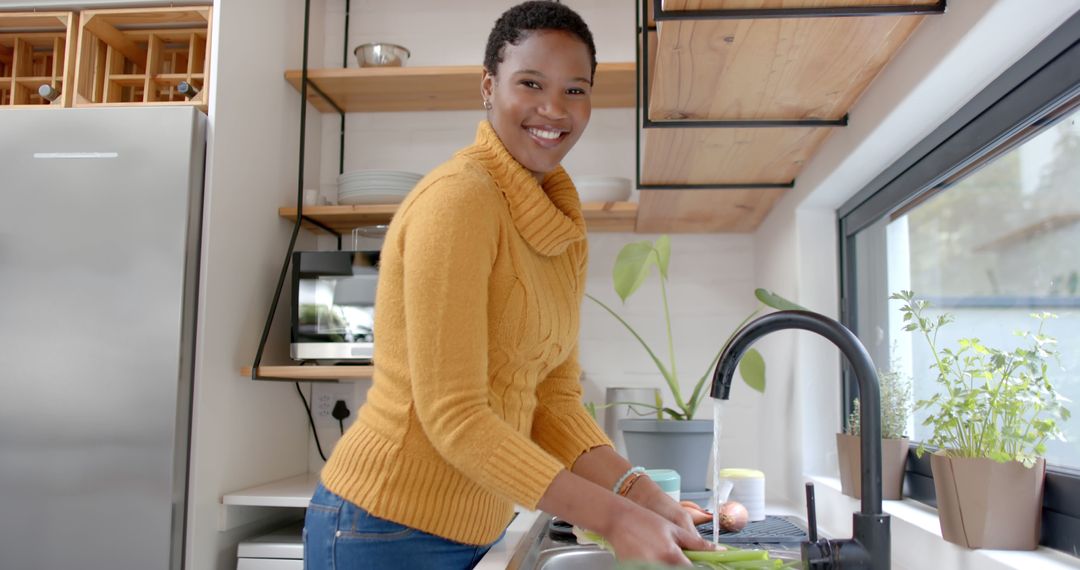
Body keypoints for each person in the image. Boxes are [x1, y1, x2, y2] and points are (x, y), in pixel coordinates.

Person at [303, 2, 713, 568]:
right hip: (382, 522)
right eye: (531, 83)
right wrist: (616, 519)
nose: (554, 108)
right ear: (489, 87)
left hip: (469, 527)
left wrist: (647, 498)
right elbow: (456, 417)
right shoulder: (459, 199)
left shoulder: (562, 225)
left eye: (576, 89)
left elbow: (554, 402)